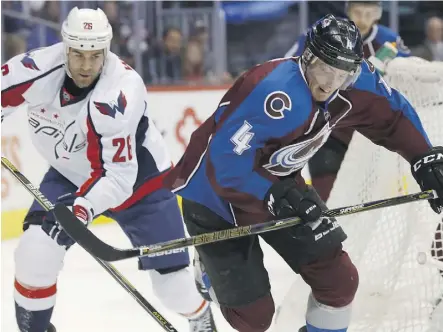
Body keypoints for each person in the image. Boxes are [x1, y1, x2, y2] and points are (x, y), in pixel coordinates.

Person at [164, 14, 443, 332]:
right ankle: (208, 270)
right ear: (308, 56)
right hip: (214, 197)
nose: (328, 82)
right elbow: (225, 162)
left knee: (339, 282)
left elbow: (392, 116)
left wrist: (424, 157)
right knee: (253, 320)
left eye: (340, 74)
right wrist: (275, 195)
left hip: (278, 182)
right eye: (324, 68)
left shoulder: (355, 83)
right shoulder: (273, 91)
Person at [1, 7, 216, 332]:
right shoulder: (35, 69)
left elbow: (117, 177)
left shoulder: (119, 92)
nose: (86, 65)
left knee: (171, 288)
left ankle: (199, 313)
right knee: (34, 252)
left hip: (141, 188)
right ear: (65, 47)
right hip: (70, 176)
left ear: (107, 50)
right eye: (78, 55)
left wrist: (81, 210)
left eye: (95, 55)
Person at [285, 1, 411, 202]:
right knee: (325, 197)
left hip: (368, 138)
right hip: (328, 130)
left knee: (362, 201)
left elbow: (409, 74)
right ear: (348, 11)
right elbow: (289, 65)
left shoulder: (390, 41)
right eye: (358, 12)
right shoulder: (326, 32)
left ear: (378, 14)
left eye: (369, 13)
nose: (363, 20)